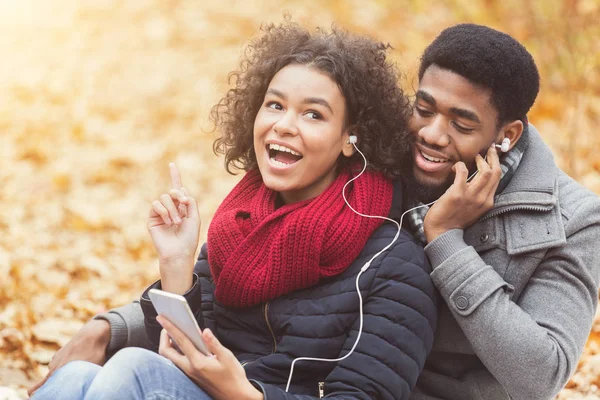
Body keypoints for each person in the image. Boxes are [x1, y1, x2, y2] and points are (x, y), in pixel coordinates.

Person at [29, 21, 438, 400]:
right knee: (76, 378)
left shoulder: (392, 264)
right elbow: (179, 350)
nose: (284, 125)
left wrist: (245, 394)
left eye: (313, 114)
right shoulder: (240, 224)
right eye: (275, 105)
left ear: (350, 138)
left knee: (136, 370)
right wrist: (176, 264)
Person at [402, 24, 600, 400]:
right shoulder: (377, 161)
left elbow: (541, 376)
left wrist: (446, 240)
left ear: (506, 135)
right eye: (423, 109)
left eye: (460, 124)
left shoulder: (575, 220)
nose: (431, 133)